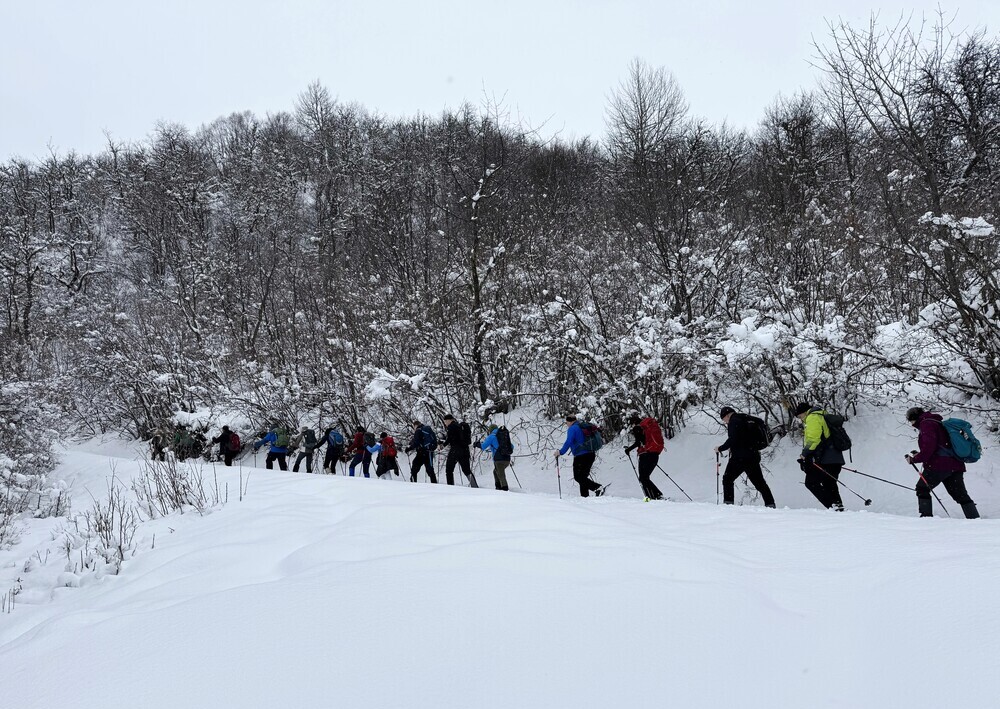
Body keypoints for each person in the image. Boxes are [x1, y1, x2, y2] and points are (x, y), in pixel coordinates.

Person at [905, 407, 980, 519]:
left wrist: (914, 459)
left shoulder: (926, 424)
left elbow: (929, 448)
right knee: (960, 495)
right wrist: (920, 455)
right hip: (955, 464)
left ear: (914, 418)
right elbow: (940, 446)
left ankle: (926, 518)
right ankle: (975, 519)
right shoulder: (937, 422)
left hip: (938, 465)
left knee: (922, 488)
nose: (911, 424)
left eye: (910, 421)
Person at [714, 407, 776, 508]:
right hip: (753, 455)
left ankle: (728, 505)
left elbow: (733, 439)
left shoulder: (733, 421)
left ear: (727, 415)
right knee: (759, 482)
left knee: (727, 479)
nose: (725, 422)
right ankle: (770, 504)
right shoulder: (746, 418)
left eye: (724, 419)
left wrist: (720, 448)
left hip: (739, 457)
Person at [794, 403, 845, 511]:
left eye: (799, 416)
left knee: (811, 483)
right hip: (835, 457)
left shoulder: (812, 418)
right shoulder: (822, 415)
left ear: (803, 412)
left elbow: (814, 439)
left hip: (826, 459)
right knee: (829, 483)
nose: (800, 419)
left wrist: (804, 454)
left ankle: (833, 507)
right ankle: (838, 508)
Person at [555, 415, 605, 498]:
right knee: (583, 477)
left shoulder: (573, 428)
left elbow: (569, 442)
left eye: (567, 422)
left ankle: (598, 488)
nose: (567, 424)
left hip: (581, 456)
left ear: (569, 421)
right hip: (590, 454)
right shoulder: (582, 426)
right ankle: (585, 497)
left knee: (578, 477)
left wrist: (560, 452)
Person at [624, 414, 664, 500]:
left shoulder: (637, 428)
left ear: (633, 423)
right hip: (654, 454)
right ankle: (656, 495)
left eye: (631, 424)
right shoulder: (646, 427)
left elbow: (638, 442)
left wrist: (628, 450)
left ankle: (653, 497)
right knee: (645, 477)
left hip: (646, 455)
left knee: (643, 478)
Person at [442, 414, 478, 487]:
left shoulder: (451, 427)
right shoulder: (460, 426)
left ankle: (450, 486)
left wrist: (443, 445)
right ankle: (475, 486)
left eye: (445, 421)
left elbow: (449, 438)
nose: (445, 423)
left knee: (449, 470)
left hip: (455, 450)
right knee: (467, 470)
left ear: (449, 420)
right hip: (465, 450)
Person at [477, 425, 514, 491]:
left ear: (490, 430)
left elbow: (483, 446)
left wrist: (477, 444)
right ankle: (498, 487)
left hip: (499, 459)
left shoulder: (491, 436)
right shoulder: (503, 435)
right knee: (495, 471)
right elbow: (512, 447)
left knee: (501, 474)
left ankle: (504, 489)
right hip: (507, 459)